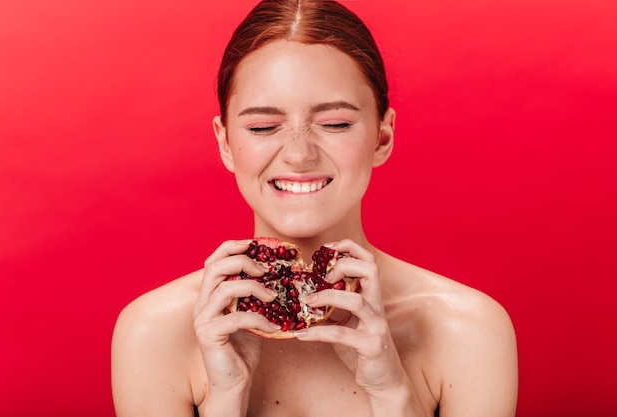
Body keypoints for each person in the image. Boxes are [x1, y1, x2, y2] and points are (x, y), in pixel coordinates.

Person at [111, 0, 518, 416]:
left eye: (336, 123)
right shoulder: (153, 332)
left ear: (382, 137)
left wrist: (392, 393)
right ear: (225, 143)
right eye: (263, 127)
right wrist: (227, 396)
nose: (299, 154)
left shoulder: (469, 332)